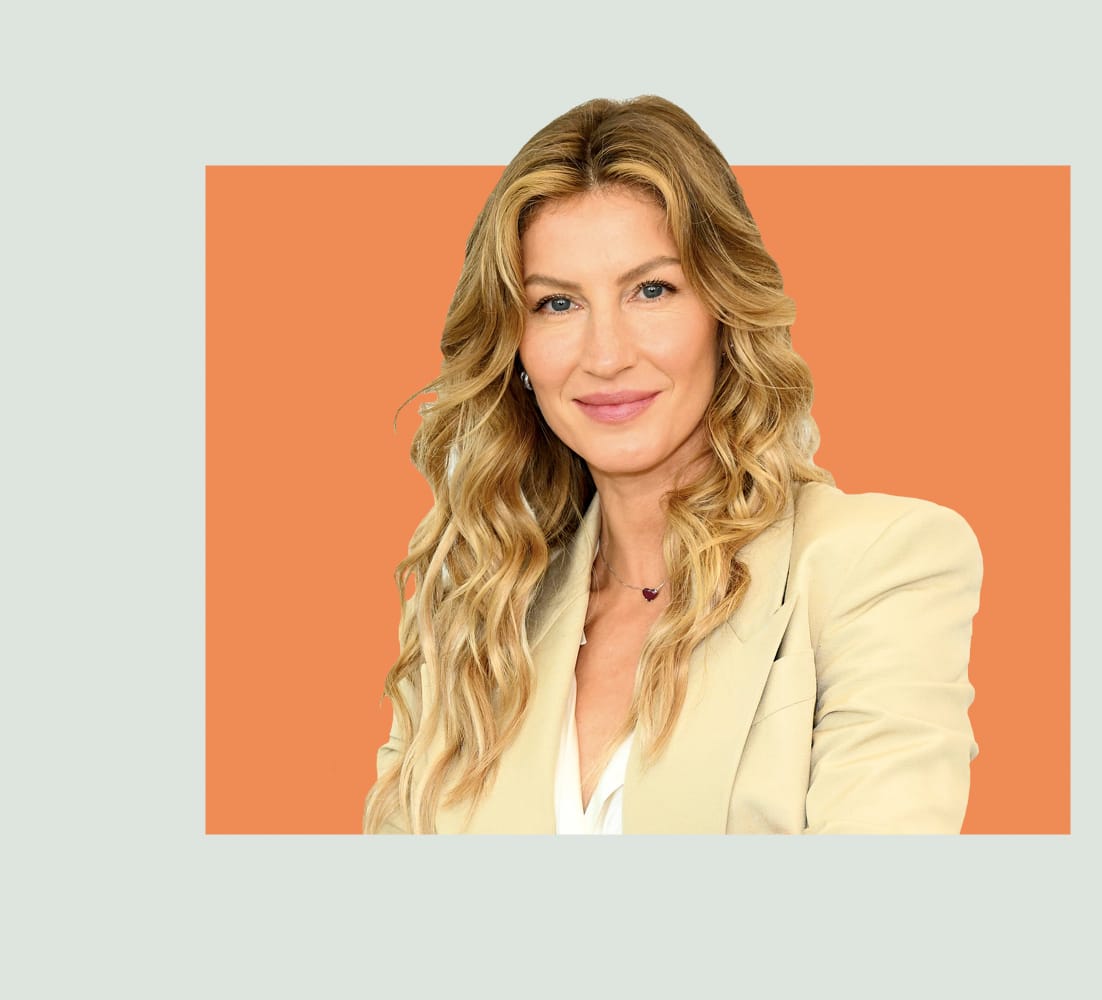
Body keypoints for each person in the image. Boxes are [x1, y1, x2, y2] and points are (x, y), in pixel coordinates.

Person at [363, 95, 982, 834]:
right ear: (515, 345)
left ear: (725, 308)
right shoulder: (473, 608)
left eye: (651, 290)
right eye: (557, 304)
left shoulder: (875, 564)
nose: (606, 355)